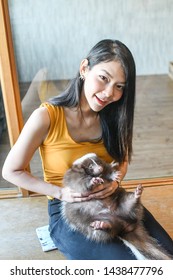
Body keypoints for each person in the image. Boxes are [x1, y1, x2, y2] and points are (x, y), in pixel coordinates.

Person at [2, 39, 173, 260]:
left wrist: (114, 183)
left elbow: (121, 161)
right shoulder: (46, 116)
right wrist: (60, 192)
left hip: (115, 201)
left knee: (166, 255)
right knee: (123, 266)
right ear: (84, 68)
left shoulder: (114, 115)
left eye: (119, 86)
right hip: (71, 212)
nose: (109, 93)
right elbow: (10, 171)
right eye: (104, 78)